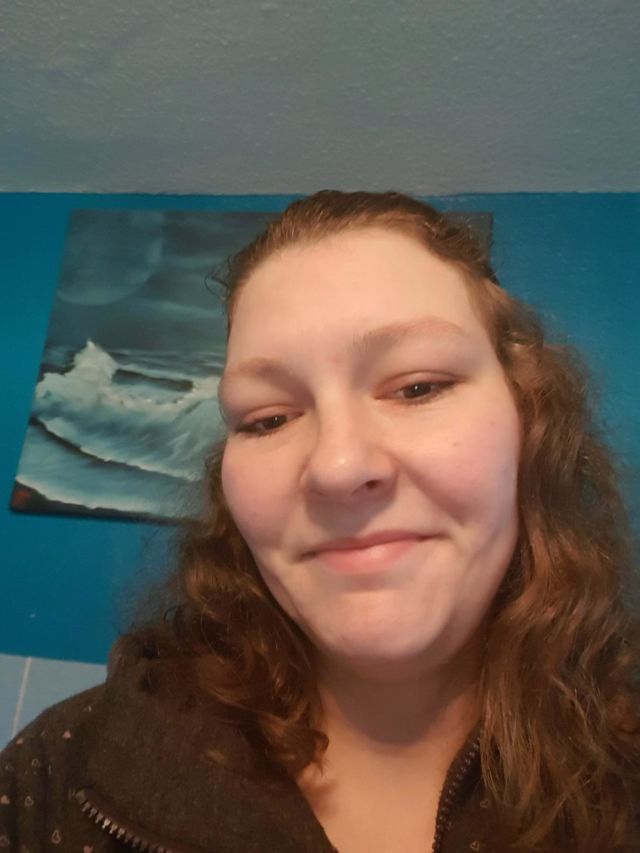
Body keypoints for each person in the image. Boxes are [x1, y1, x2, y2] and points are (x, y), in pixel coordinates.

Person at [1, 190, 639, 853]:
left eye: (417, 387)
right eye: (268, 419)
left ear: (529, 419)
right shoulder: (51, 778)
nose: (337, 466)